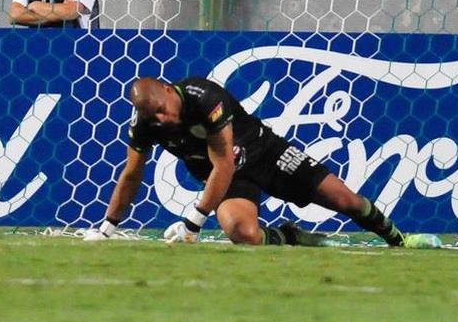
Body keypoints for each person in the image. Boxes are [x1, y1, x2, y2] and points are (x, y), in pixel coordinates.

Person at [84, 76, 412, 247]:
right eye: (151, 115)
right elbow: (131, 175)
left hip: (267, 154)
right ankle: (290, 237)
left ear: (170, 90)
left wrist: (193, 224)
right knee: (241, 232)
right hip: (229, 181)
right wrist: (108, 228)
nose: (162, 118)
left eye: (161, 108)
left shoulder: (204, 97)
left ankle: (398, 239)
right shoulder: (145, 126)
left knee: (346, 200)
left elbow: (224, 160)